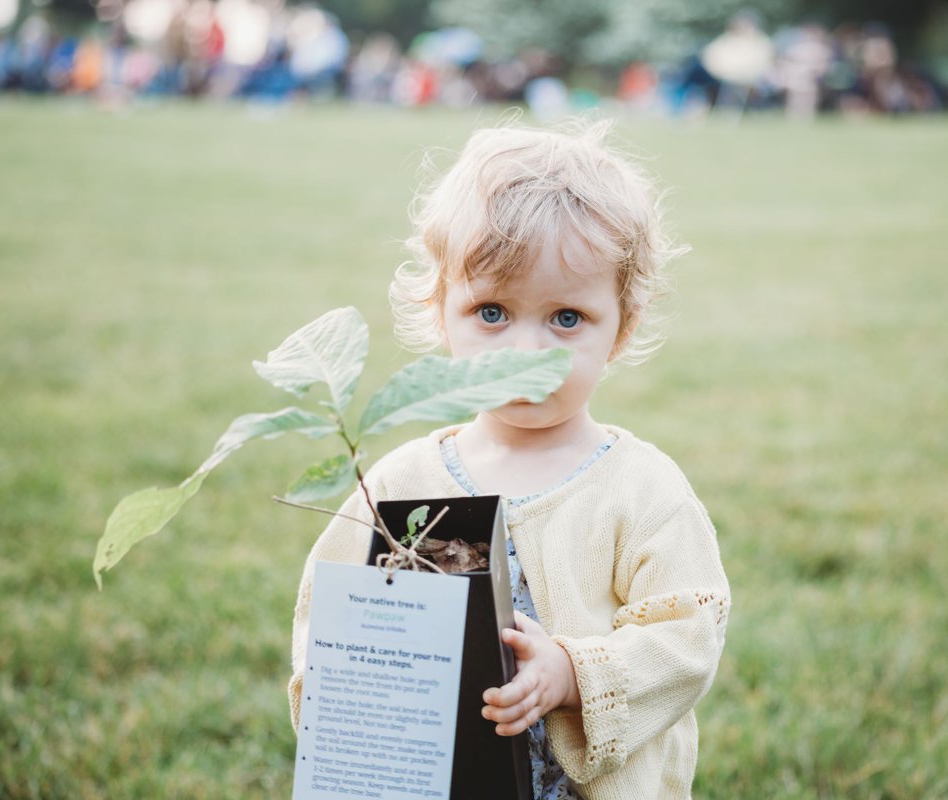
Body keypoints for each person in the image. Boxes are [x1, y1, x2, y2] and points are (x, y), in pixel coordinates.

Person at [287, 119, 731, 800]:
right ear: (441, 311)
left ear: (622, 327)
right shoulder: (403, 483)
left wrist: (573, 673)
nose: (526, 352)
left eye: (566, 318)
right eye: (492, 312)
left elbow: (688, 636)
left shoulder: (642, 489)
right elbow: (329, 615)